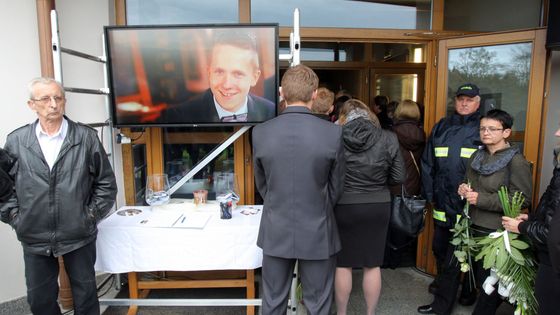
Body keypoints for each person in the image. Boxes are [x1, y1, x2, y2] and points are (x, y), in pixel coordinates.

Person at [0, 77, 117, 315]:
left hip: (78, 232)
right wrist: (16, 217)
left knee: (85, 298)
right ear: (32, 105)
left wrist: (88, 216)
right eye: (45, 99)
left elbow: (106, 184)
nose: (53, 104)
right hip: (34, 234)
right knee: (39, 301)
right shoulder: (16, 141)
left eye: (58, 97)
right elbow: (4, 189)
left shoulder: (85, 137)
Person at [252, 64, 346, 315]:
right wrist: (319, 206)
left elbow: (262, 184)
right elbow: (336, 186)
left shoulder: (260, 132)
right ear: (315, 94)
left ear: (281, 92)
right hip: (317, 228)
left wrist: (276, 202)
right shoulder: (333, 133)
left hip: (276, 227)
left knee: (272, 301)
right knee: (318, 304)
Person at [457, 109, 532, 315]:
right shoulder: (477, 154)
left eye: (492, 128)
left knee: (491, 282)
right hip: (473, 225)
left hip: (497, 232)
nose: (486, 132)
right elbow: (468, 181)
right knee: (482, 279)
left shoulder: (516, 161)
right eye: (482, 128)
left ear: (506, 132)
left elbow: (523, 198)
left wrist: (482, 199)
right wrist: (463, 188)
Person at [334, 99, 405, 315]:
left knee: (342, 263)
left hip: (344, 205)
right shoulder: (388, 137)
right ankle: (370, 313)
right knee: (372, 264)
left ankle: (342, 313)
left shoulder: (335, 136)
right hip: (377, 205)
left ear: (343, 117)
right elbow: (399, 177)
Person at [418, 83, 482, 314]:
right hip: (442, 201)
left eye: (469, 99)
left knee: (470, 254)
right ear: (455, 101)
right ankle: (444, 284)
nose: (464, 103)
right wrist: (430, 194)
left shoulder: (483, 129)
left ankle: (466, 291)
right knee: (440, 247)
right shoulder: (442, 127)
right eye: (461, 99)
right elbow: (427, 163)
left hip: (470, 206)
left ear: (478, 102)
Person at [503, 124, 560, 315]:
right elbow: (552, 209)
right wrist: (532, 217)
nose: (556, 132)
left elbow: (552, 234)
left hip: (554, 260)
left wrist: (522, 227)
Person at [165, 30, 275, 123]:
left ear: (254, 77)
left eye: (237, 74)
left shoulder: (271, 113)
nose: (227, 84)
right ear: (209, 73)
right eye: (219, 72)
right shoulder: (179, 117)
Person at [385, 100, 426, 267]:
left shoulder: (390, 134)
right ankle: (406, 256)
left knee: (391, 223)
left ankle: (389, 259)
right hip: (413, 184)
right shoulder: (423, 134)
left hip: (393, 184)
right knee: (408, 219)